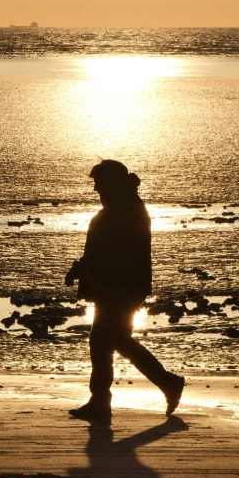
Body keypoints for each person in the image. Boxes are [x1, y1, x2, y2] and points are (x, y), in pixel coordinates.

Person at [65, 160, 185, 420]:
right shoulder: (122, 206)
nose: (96, 190)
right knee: (107, 340)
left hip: (121, 286)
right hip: (115, 286)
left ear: (112, 183)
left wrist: (85, 269)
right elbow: (100, 249)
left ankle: (165, 384)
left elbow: (113, 252)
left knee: (110, 339)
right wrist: (80, 269)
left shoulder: (126, 209)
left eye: (100, 184)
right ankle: (104, 401)